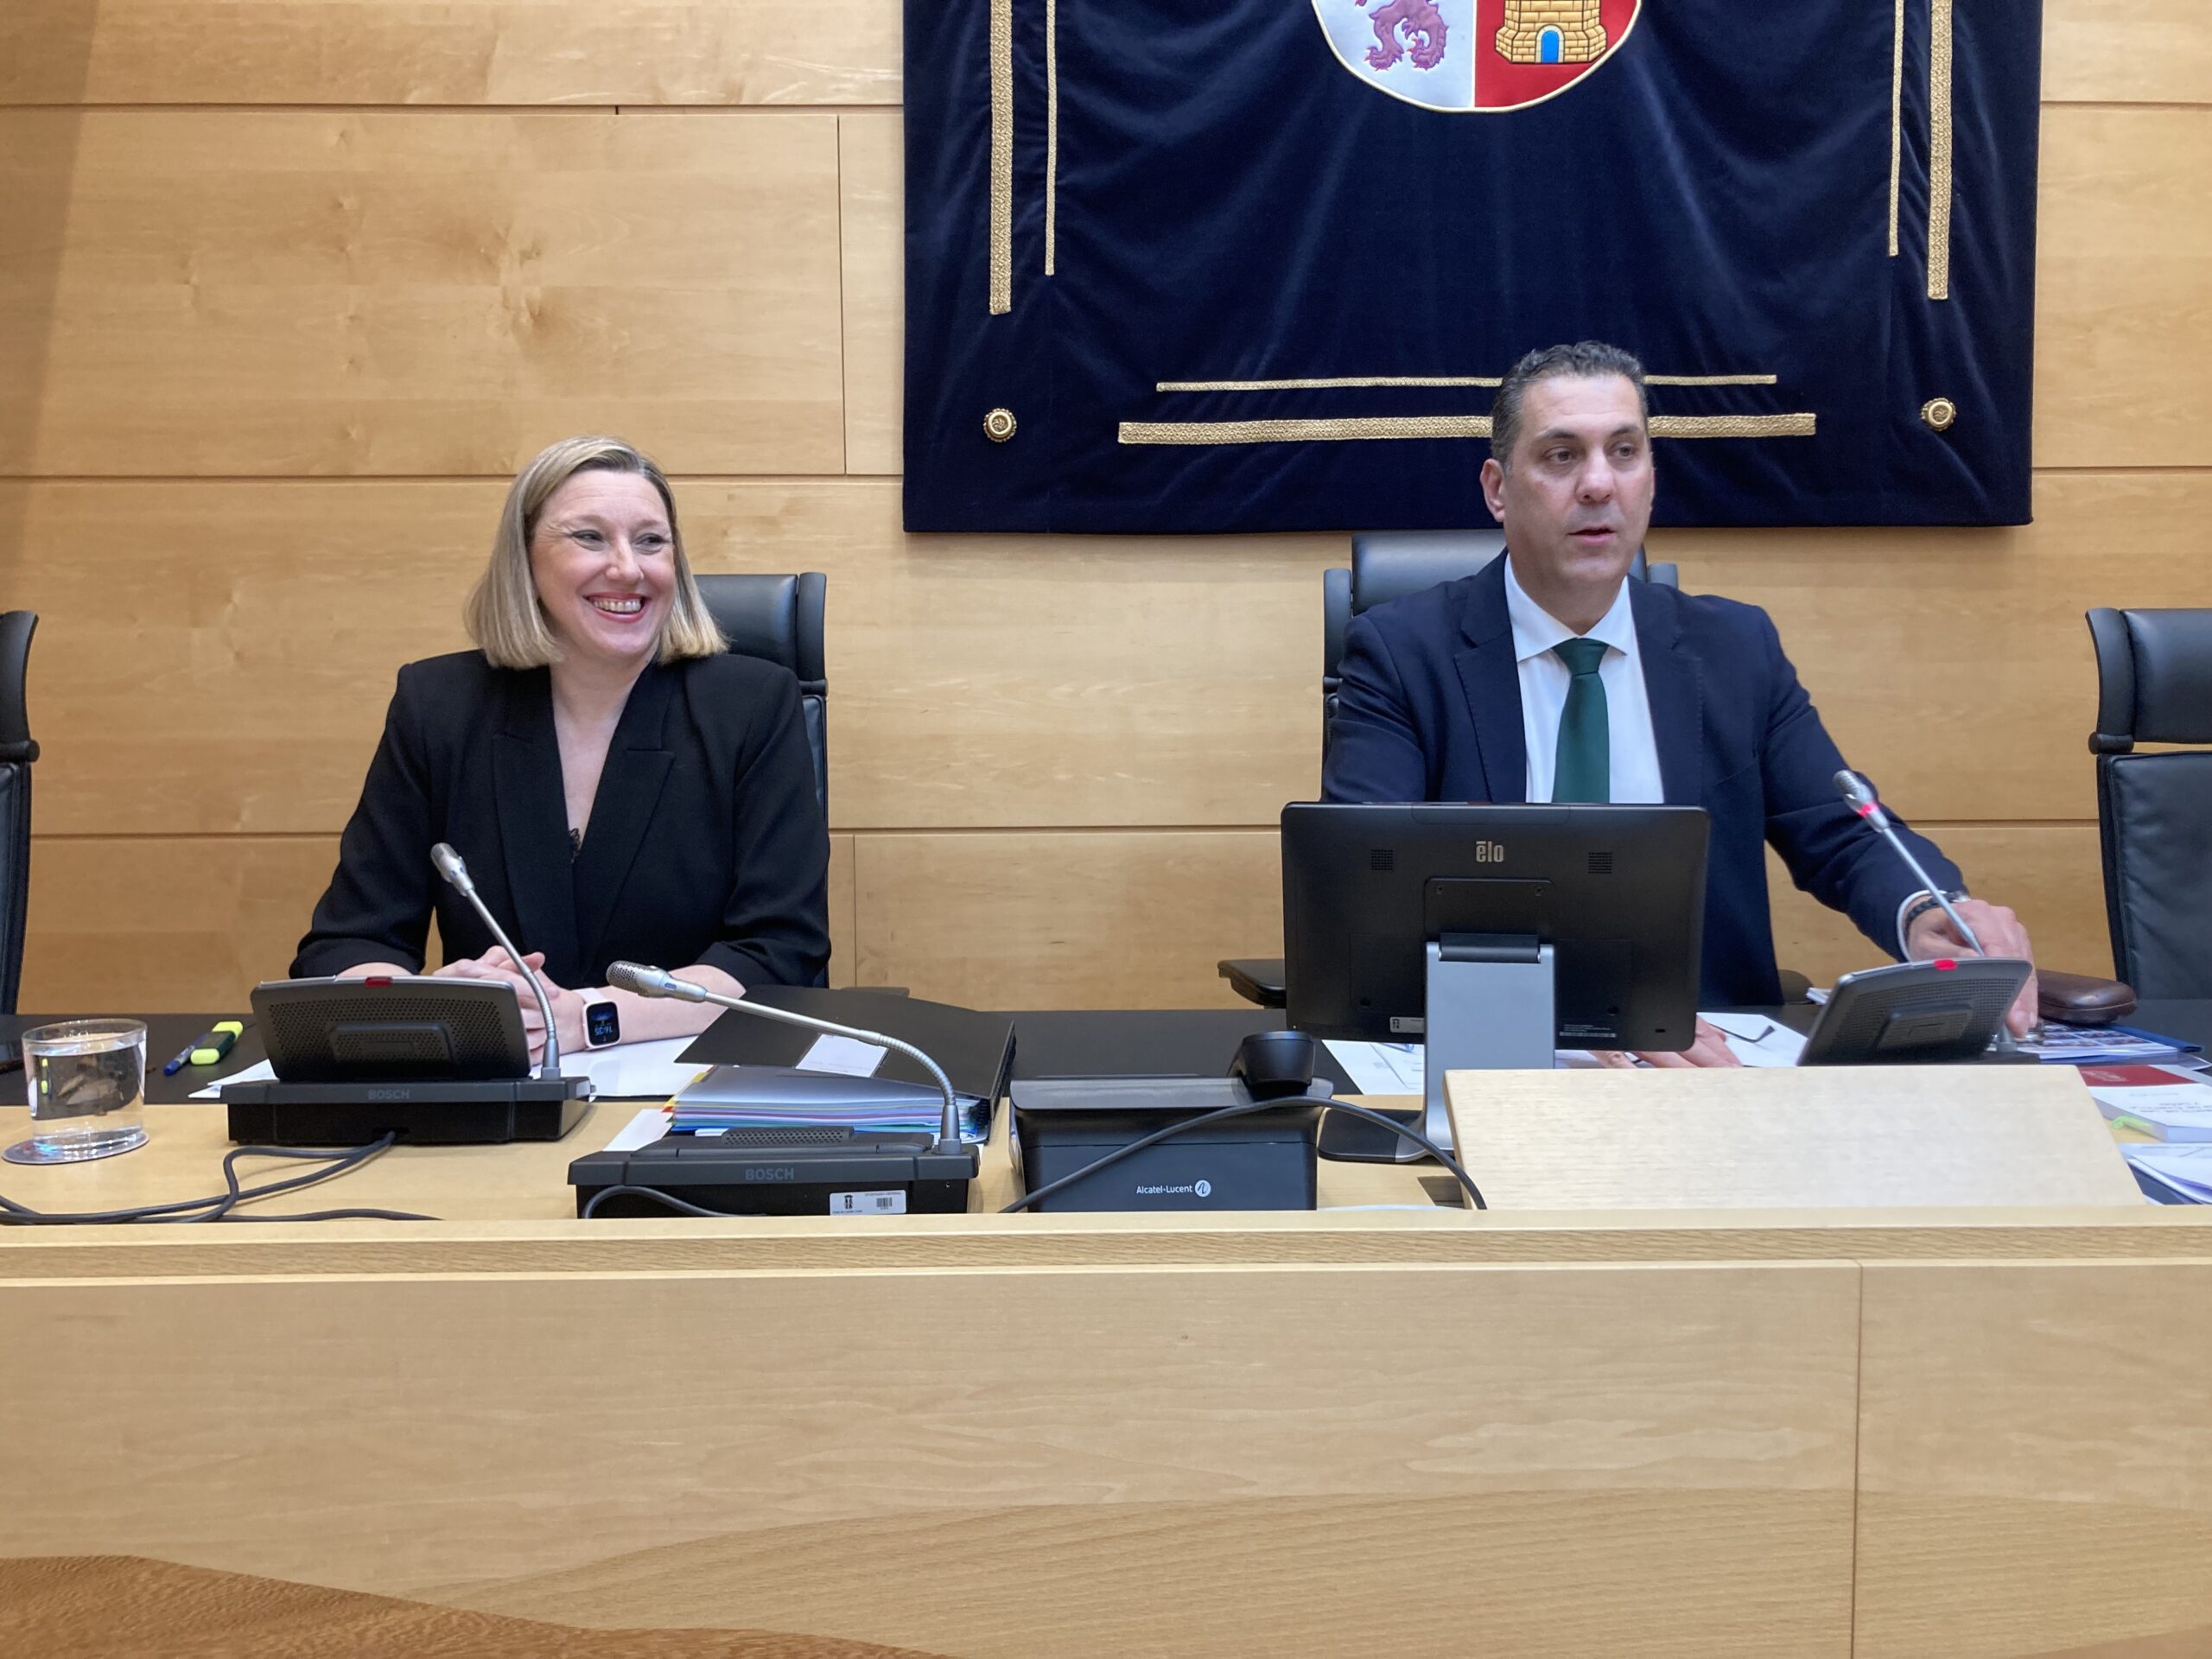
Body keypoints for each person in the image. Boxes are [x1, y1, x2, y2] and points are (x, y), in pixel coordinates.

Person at [1323, 341, 2037, 1066]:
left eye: (1624, 452)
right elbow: (1365, 897)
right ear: (1498, 489)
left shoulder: (1735, 650)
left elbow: (1842, 833)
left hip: (1708, 1066)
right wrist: (1574, 1019)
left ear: (1651, 478)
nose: (1599, 484)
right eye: (1562, 456)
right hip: (1490, 1057)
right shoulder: (1403, 654)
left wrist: (1926, 910)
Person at [293, 435, 831, 1060]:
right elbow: (347, 945)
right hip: (503, 1079)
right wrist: (430, 1003)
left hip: (692, 1080)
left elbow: (779, 953)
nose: (627, 568)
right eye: (590, 538)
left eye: (651, 541)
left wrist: (589, 1018)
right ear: (525, 561)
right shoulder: (438, 706)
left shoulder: (751, 705)